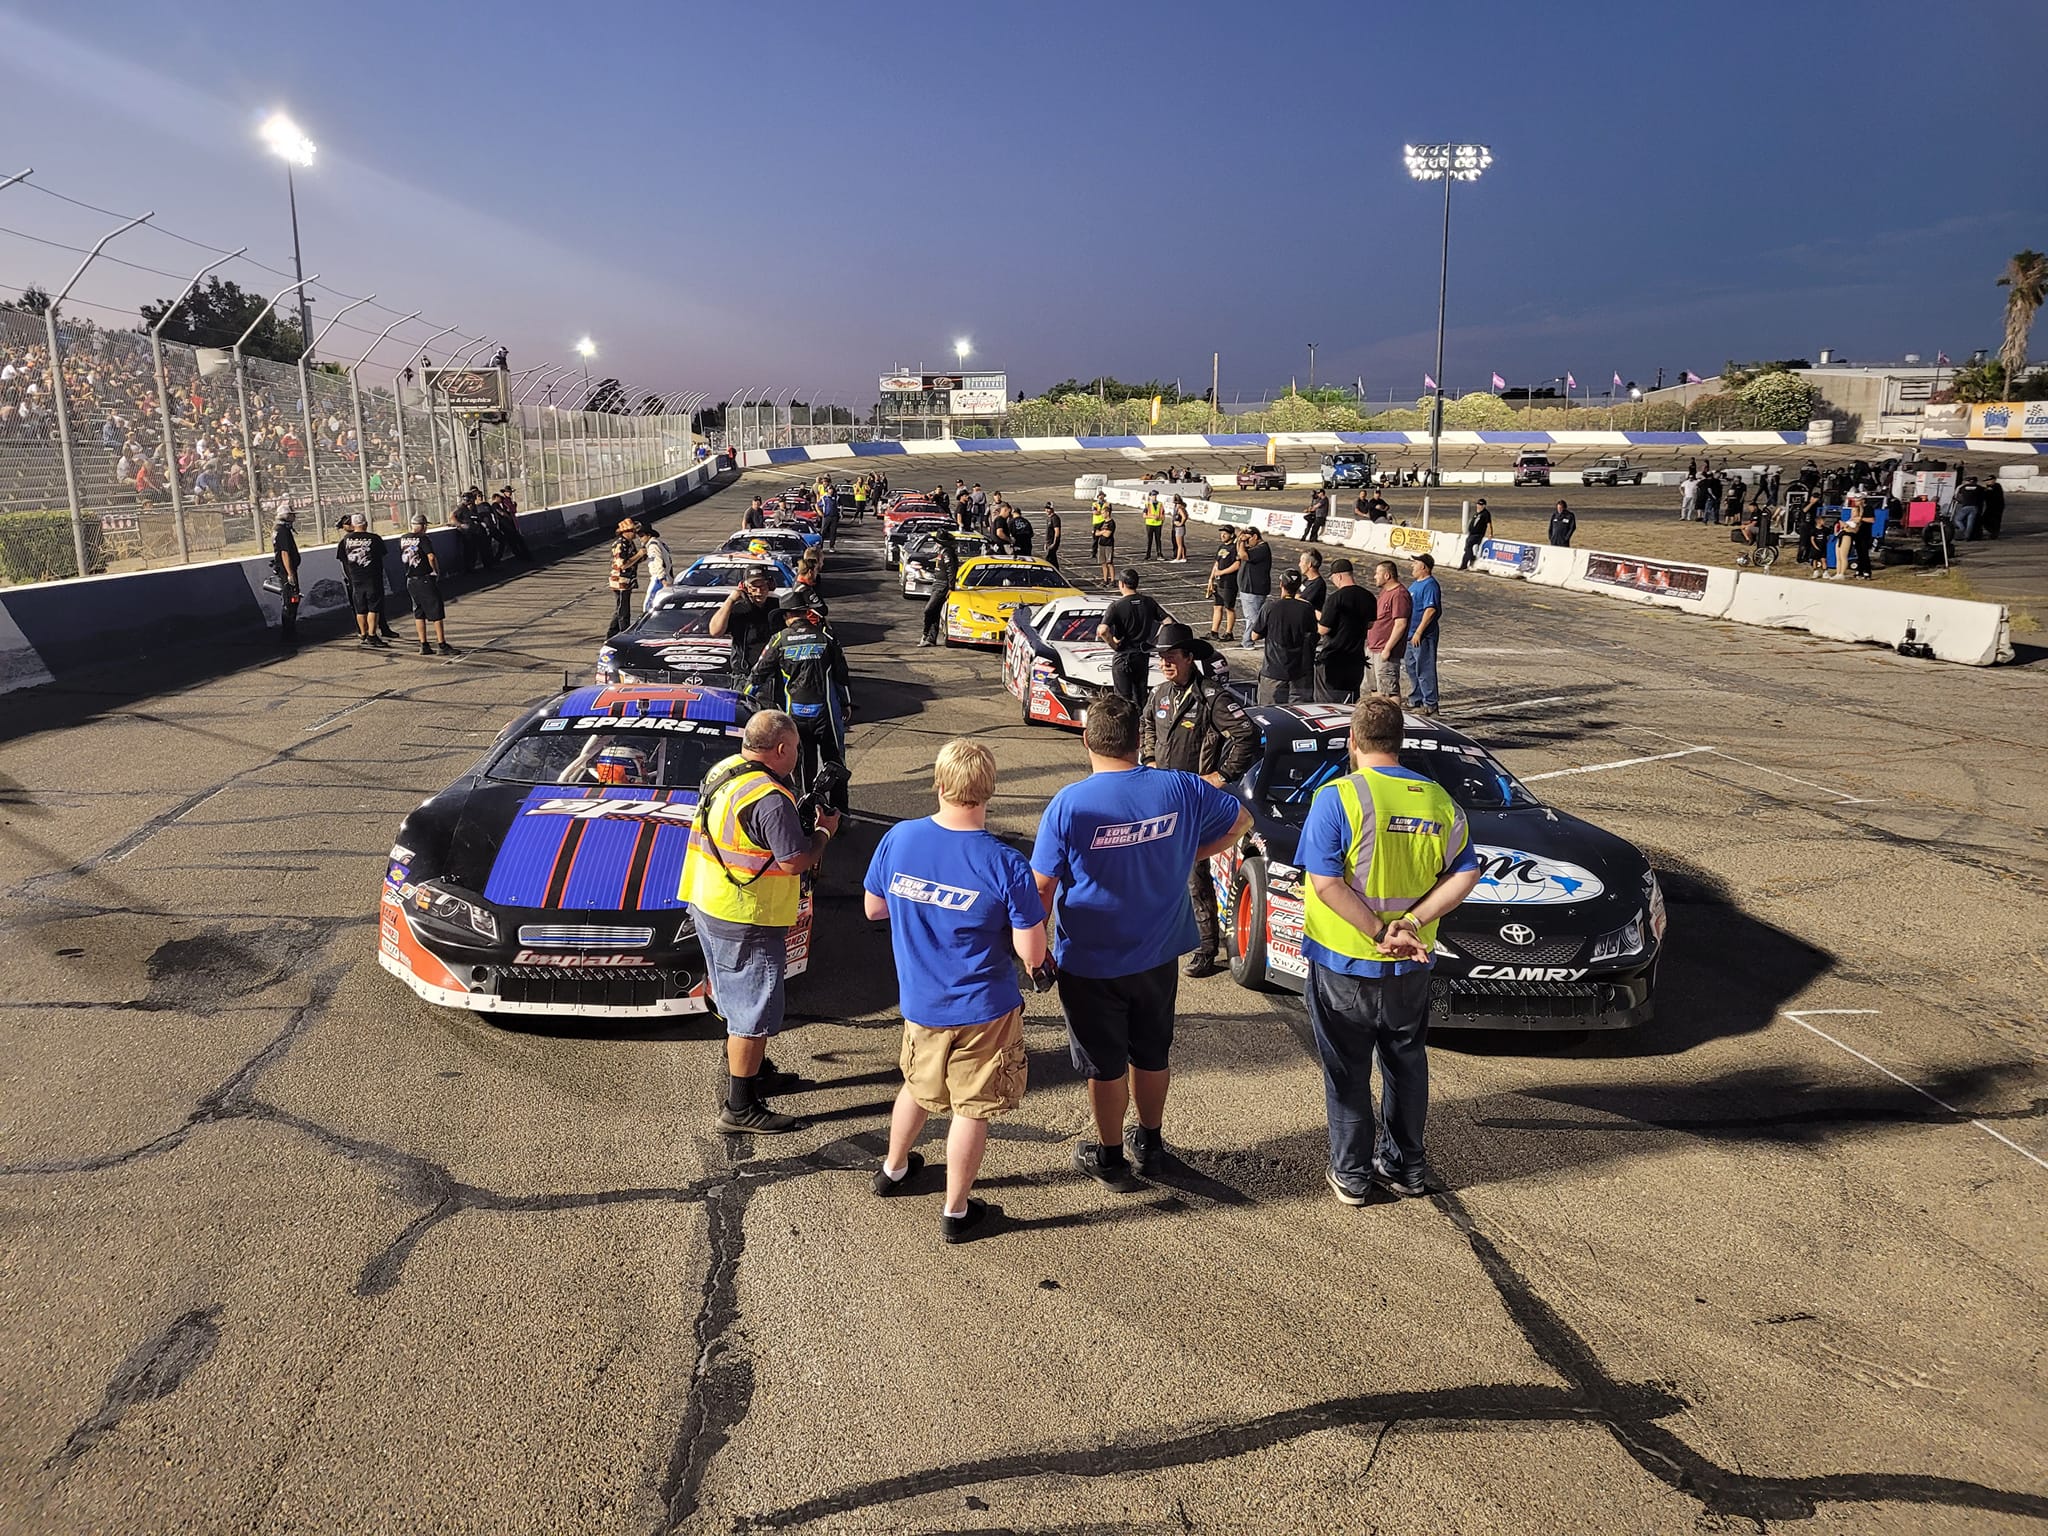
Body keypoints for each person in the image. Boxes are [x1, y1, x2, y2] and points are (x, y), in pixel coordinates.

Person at [1032, 693, 1251, 1184]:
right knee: (1151, 1052)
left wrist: (1032, 950)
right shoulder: (1180, 787)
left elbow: (1042, 887)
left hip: (1089, 961)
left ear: (1088, 741)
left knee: (1104, 1065)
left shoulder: (1069, 804)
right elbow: (1241, 820)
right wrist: (1186, 852)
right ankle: (1151, 1143)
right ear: (1138, 740)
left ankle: (1110, 1157)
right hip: (1157, 955)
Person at [1299, 695, 1483, 1202]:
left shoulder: (1337, 797)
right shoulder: (1438, 800)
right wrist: (1413, 922)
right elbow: (1466, 873)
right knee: (1406, 1063)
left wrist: (1379, 933)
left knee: (1347, 1069)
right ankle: (1407, 1168)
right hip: (1411, 966)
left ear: (1352, 741)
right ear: (1400, 743)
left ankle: (1352, 1174)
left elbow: (1326, 883)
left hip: (1345, 963)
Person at [865, 741, 1049, 1243]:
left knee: (916, 1085)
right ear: (989, 790)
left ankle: (894, 1168)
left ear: (940, 784)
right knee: (971, 1107)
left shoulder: (899, 838)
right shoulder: (1006, 863)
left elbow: (874, 908)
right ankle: (955, 1210)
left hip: (921, 1002)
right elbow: (1032, 952)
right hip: (984, 1008)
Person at [682, 709, 841, 1135]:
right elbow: (794, 861)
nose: (798, 756)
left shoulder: (725, 770)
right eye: (797, 749)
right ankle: (740, 1106)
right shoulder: (770, 798)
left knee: (732, 998)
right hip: (747, 916)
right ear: (782, 748)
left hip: (708, 901)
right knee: (753, 1013)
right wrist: (824, 831)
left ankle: (755, 1070)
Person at [1140, 622, 1260, 978]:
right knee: (1155, 871)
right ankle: (1162, 936)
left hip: (1193, 802)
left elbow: (1247, 736)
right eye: (1161, 657)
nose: (1164, 663)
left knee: (1194, 874)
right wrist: (1149, 759)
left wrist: (1220, 777)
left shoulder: (1212, 696)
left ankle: (1206, 949)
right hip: (1160, 795)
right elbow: (1147, 724)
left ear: (1189, 657)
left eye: (1171, 656)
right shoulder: (1160, 693)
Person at [749, 589, 853, 808]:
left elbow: (757, 674)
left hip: (795, 715)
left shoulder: (779, 639)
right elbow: (841, 676)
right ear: (806, 613)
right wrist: (846, 704)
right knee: (835, 762)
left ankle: (808, 810)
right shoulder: (826, 636)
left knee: (803, 765)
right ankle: (840, 812)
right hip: (827, 714)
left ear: (786, 615)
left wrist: (742, 698)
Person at [1098, 568, 1166, 707]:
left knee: (1122, 701)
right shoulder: (1149, 602)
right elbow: (1168, 622)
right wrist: (1155, 641)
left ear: (1121, 584)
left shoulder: (1116, 606)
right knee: (1140, 697)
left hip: (1123, 655)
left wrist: (1113, 645)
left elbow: (1103, 630)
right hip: (1142, 654)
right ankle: (1141, 719)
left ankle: (1126, 720)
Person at [399, 513, 461, 657]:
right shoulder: (423, 538)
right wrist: (435, 571)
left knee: (418, 611)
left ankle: (423, 644)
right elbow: (431, 556)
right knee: (436, 611)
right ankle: (441, 644)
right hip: (424, 577)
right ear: (422, 526)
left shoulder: (403, 538)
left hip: (411, 578)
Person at [1250, 570, 1316, 704]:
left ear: (1281, 584)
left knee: (1269, 713)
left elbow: (1254, 635)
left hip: (1274, 671)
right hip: (1299, 672)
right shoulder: (1306, 608)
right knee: (1298, 712)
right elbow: (1313, 634)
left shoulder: (1270, 607)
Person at [1316, 558, 1372, 704]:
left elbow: (1323, 629)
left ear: (1339, 576)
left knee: (1328, 703)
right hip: (1356, 659)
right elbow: (1370, 624)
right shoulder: (1368, 596)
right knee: (1350, 701)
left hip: (1334, 659)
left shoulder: (1335, 599)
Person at [337, 512, 389, 649]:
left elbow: (342, 559)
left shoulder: (345, 540)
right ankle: (372, 635)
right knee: (373, 608)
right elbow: (382, 554)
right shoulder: (374, 538)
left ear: (353, 525)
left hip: (355, 578)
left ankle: (363, 634)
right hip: (372, 577)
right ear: (365, 524)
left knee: (360, 609)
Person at [1365, 561, 1411, 699]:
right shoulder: (1385, 592)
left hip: (1385, 651)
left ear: (1387, 575)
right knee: (1375, 689)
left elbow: (1401, 624)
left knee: (1389, 691)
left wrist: (1388, 648)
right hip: (1373, 648)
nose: (1375, 576)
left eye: (1377, 573)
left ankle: (1393, 713)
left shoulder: (1399, 594)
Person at [1403, 554, 1441, 715]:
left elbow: (1430, 610)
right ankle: (1416, 699)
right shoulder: (1415, 584)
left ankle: (1430, 703)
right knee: (1411, 668)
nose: (1412, 566)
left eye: (1415, 563)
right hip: (1410, 635)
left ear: (1424, 567)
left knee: (1424, 668)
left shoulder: (1430, 585)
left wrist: (1419, 631)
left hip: (1423, 636)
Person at [918, 529, 960, 647]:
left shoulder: (947, 553)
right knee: (935, 612)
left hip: (942, 585)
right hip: (937, 583)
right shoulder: (941, 551)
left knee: (929, 609)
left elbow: (951, 570)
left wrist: (951, 587)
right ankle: (931, 638)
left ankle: (926, 633)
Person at [1235, 526, 1272, 647]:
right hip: (1249, 588)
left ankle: (1272, 638)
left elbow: (1243, 555)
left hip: (1253, 589)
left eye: (1248, 539)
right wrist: (1240, 540)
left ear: (1255, 537)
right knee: (1250, 618)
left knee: (1254, 618)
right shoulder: (1255, 548)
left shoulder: (1262, 548)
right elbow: (1239, 552)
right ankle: (1247, 641)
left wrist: (1241, 541)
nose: (1247, 542)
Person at [605, 519, 642, 639]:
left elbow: (635, 560)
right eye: (633, 531)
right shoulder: (620, 544)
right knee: (623, 610)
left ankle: (612, 633)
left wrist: (643, 555)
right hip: (620, 581)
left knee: (622, 608)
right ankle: (622, 633)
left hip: (628, 580)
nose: (635, 534)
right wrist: (639, 555)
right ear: (626, 532)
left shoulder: (630, 543)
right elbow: (623, 564)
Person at [271, 505, 301, 648]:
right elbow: (284, 553)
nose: (294, 517)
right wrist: (290, 573)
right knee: (290, 601)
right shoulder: (282, 531)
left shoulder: (278, 529)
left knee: (291, 600)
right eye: (291, 514)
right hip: (286, 571)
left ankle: (290, 631)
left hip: (285, 570)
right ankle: (289, 633)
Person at [1206, 530, 1239, 641]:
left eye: (1225, 533)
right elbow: (1217, 563)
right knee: (1217, 606)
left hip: (1229, 582)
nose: (1222, 535)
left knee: (1229, 607)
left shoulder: (1235, 548)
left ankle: (1229, 633)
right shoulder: (1221, 547)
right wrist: (1211, 578)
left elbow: (1237, 564)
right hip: (1219, 582)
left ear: (1232, 535)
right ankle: (1214, 632)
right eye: (1221, 533)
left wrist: (1222, 572)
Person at [640, 519, 674, 616]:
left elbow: (658, 562)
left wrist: (662, 579)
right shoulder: (660, 543)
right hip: (667, 576)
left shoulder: (652, 546)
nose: (640, 539)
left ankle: (648, 621)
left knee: (648, 604)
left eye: (642, 536)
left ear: (648, 535)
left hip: (659, 578)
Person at [1459, 498, 1491, 570]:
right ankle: (1463, 565)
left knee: (1469, 545)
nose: (1479, 506)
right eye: (1478, 504)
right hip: (1471, 534)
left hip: (1478, 534)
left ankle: (1472, 557)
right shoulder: (1477, 514)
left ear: (1484, 506)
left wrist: (1490, 534)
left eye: (1481, 505)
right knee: (1466, 549)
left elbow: (1489, 524)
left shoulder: (1485, 514)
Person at [1093, 506, 1118, 585]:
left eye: (1103, 513)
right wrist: (1103, 531)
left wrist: (1101, 532)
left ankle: (1113, 580)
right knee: (1103, 563)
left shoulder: (1111, 523)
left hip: (1108, 545)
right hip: (1101, 544)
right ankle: (1105, 579)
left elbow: (1107, 534)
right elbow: (1096, 533)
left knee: (1109, 563)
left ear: (1107, 513)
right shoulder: (1102, 523)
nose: (1102, 515)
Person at [1299, 549, 1327, 614]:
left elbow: (1302, 602)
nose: (1299, 564)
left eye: (1301, 561)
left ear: (1309, 564)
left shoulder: (1318, 584)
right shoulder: (1306, 580)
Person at [1142, 492, 1166, 560]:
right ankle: (1148, 555)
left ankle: (1159, 554)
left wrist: (1161, 520)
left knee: (1158, 540)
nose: (1154, 497)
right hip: (1150, 524)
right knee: (1149, 540)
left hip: (1158, 524)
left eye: (1155, 495)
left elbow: (1163, 515)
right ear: (1150, 496)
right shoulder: (1148, 504)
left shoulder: (1160, 504)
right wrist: (1152, 517)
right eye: (1153, 495)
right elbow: (1144, 515)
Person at [818, 483, 840, 551]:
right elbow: (817, 505)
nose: (831, 491)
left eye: (832, 489)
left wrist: (840, 513)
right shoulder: (824, 498)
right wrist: (820, 512)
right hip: (826, 516)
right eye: (830, 489)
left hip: (834, 516)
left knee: (833, 532)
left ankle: (831, 546)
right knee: (823, 532)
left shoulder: (836, 497)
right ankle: (820, 546)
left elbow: (839, 505)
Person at [1043, 502, 1063, 566]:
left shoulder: (1055, 518)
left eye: (1048, 508)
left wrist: (1054, 543)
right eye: (1046, 508)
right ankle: (1056, 570)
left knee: (1049, 560)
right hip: (1049, 543)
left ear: (1052, 509)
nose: (1047, 510)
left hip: (1052, 543)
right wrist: (1046, 543)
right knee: (1052, 560)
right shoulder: (1049, 518)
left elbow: (1057, 532)